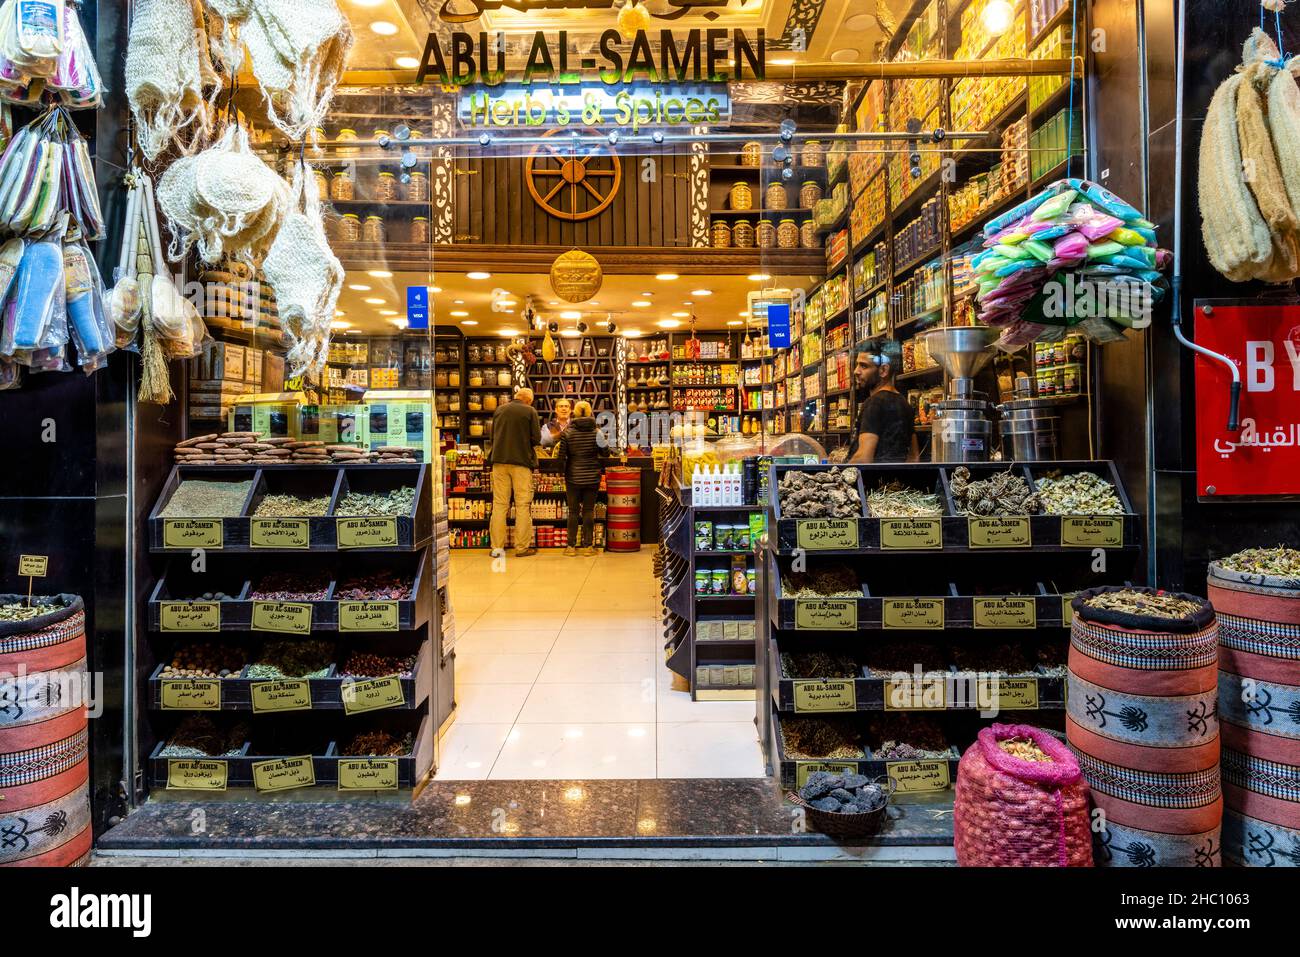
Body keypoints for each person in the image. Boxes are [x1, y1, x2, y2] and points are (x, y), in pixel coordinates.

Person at [487, 387, 542, 557]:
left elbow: (492, 438)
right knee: (522, 505)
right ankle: (521, 548)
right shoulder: (530, 411)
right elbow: (537, 438)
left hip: (499, 462)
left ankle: (497, 549)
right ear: (529, 400)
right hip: (521, 463)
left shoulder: (499, 410)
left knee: (499, 505)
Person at [848, 345, 918, 464]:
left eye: (863, 366)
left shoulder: (874, 403)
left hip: (870, 481)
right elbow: (914, 456)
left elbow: (863, 458)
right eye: (857, 365)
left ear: (883, 370)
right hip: (893, 481)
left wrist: (838, 475)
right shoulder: (904, 403)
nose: (856, 371)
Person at [555, 400, 602, 556]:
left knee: (573, 512)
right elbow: (606, 452)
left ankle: (570, 547)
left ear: (574, 412)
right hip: (592, 476)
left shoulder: (567, 433)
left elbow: (561, 457)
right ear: (589, 413)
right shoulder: (597, 432)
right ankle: (588, 547)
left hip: (573, 477)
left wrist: (563, 472)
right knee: (588, 511)